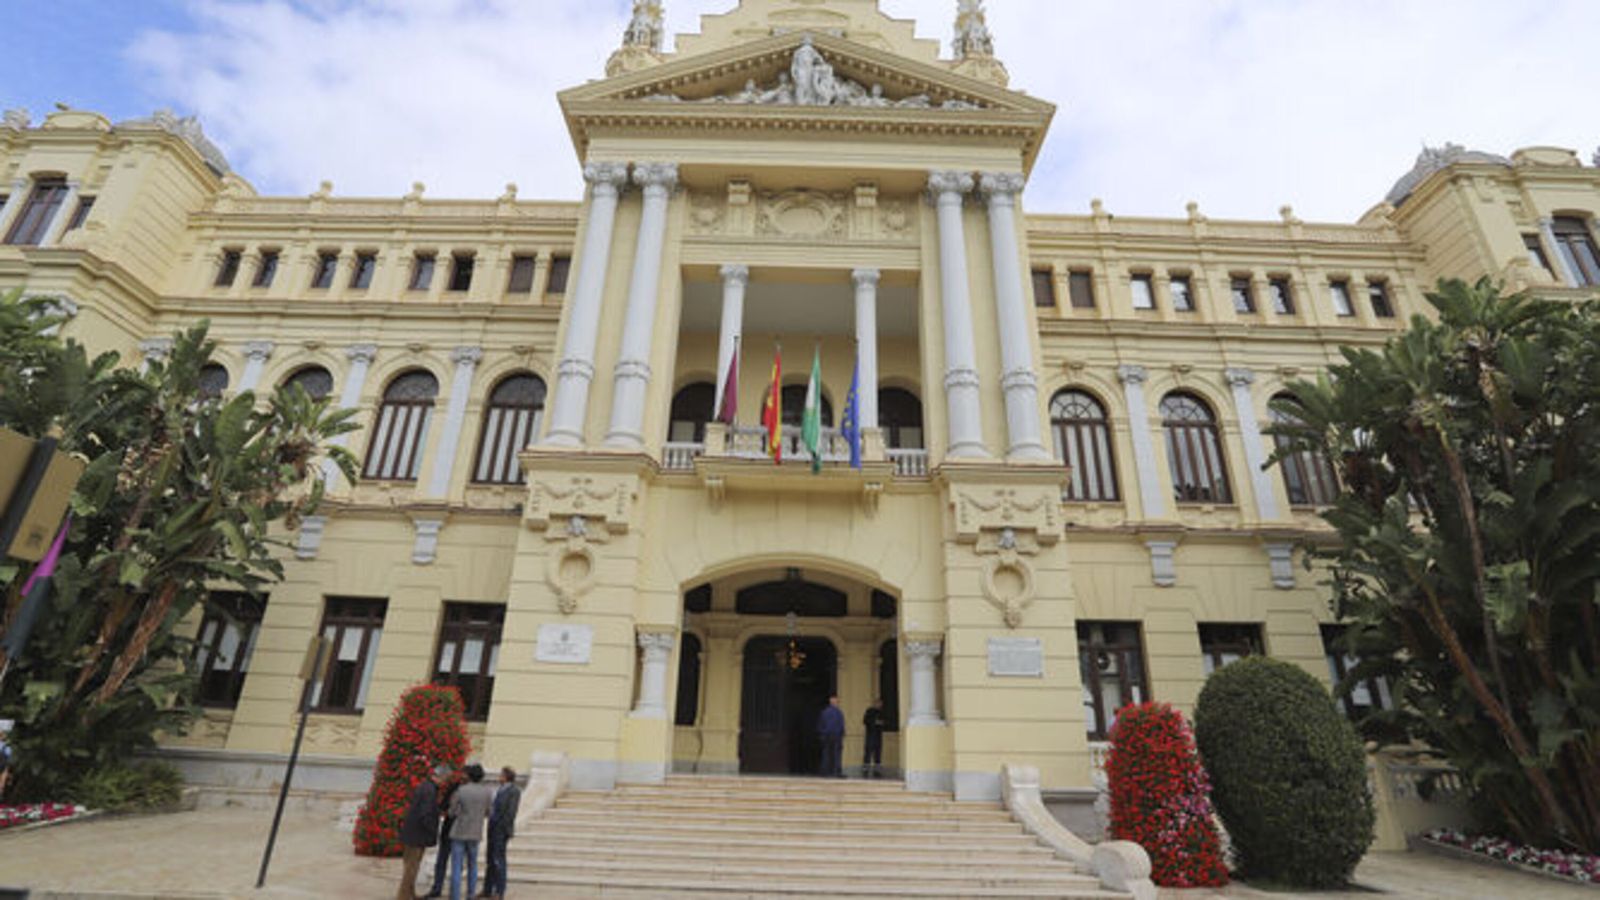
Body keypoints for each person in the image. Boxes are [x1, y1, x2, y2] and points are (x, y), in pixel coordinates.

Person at [397, 763, 450, 900]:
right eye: (445, 779)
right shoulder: (429, 790)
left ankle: (409, 894)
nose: (445, 782)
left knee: (411, 867)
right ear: (439, 776)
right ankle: (403, 896)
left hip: (413, 833)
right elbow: (425, 814)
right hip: (417, 835)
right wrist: (433, 830)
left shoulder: (426, 786)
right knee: (411, 869)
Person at [447, 764, 495, 900]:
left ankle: (455, 896)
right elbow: (490, 812)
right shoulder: (487, 792)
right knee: (472, 865)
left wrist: (459, 812)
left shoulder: (461, 790)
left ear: (469, 776)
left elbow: (451, 811)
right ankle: (471, 894)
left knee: (456, 866)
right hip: (475, 831)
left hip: (459, 830)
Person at [421, 768, 463, 899]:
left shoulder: (456, 789)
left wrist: (443, 810)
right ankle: (451, 891)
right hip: (459, 830)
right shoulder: (455, 788)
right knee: (453, 862)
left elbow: (447, 809)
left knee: (444, 861)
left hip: (452, 828)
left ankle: (438, 888)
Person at [482, 767, 521, 900]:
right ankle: (487, 889)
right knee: (490, 859)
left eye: (501, 775)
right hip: (492, 828)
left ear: (506, 776)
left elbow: (510, 813)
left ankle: (499, 891)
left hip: (501, 830)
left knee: (499, 860)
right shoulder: (500, 789)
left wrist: (501, 828)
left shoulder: (514, 791)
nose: (499, 777)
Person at [817, 695, 845, 778]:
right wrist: (842, 734)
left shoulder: (824, 712)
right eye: (837, 701)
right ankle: (836, 772)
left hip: (826, 736)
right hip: (836, 736)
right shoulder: (839, 713)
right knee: (836, 754)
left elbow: (820, 725)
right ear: (834, 702)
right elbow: (841, 725)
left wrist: (822, 734)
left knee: (826, 754)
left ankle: (825, 772)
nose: (837, 703)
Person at [862, 698, 885, 778]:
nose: (879, 705)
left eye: (880, 703)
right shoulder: (869, 711)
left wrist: (881, 723)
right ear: (875, 703)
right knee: (868, 751)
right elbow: (865, 721)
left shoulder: (882, 712)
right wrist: (875, 722)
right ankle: (866, 767)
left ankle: (877, 768)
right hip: (870, 735)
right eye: (878, 703)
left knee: (878, 752)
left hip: (878, 736)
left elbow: (885, 722)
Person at [0, 720, 15, 800]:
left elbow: (8, 760)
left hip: (3, 767)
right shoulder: (6, 747)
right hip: (3, 767)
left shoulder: (6, 747)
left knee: (1, 784)